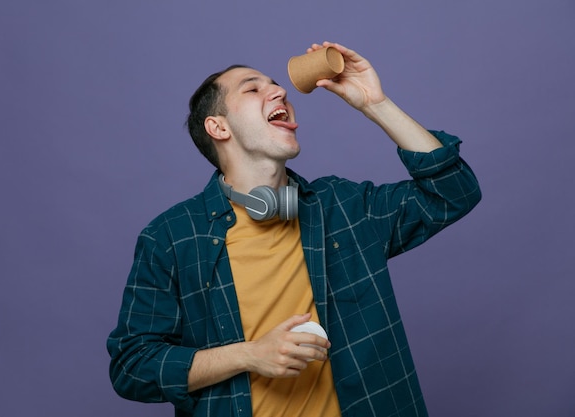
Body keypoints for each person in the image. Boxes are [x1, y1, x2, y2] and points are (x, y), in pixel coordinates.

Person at [107, 41, 481, 417]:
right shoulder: (171, 237)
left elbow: (453, 192)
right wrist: (249, 355)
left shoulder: (342, 208)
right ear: (218, 126)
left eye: (275, 84)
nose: (281, 90)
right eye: (253, 88)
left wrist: (374, 103)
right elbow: (132, 367)